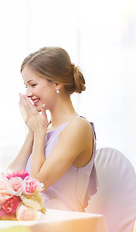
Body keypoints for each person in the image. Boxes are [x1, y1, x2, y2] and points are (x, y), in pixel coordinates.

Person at [9, 47, 97, 212]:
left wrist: (39, 133)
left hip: (66, 225)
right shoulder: (43, 127)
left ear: (57, 83)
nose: (28, 93)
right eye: (26, 86)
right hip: (36, 223)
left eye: (33, 84)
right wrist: (32, 131)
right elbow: (9, 178)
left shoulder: (77, 127)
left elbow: (35, 185)